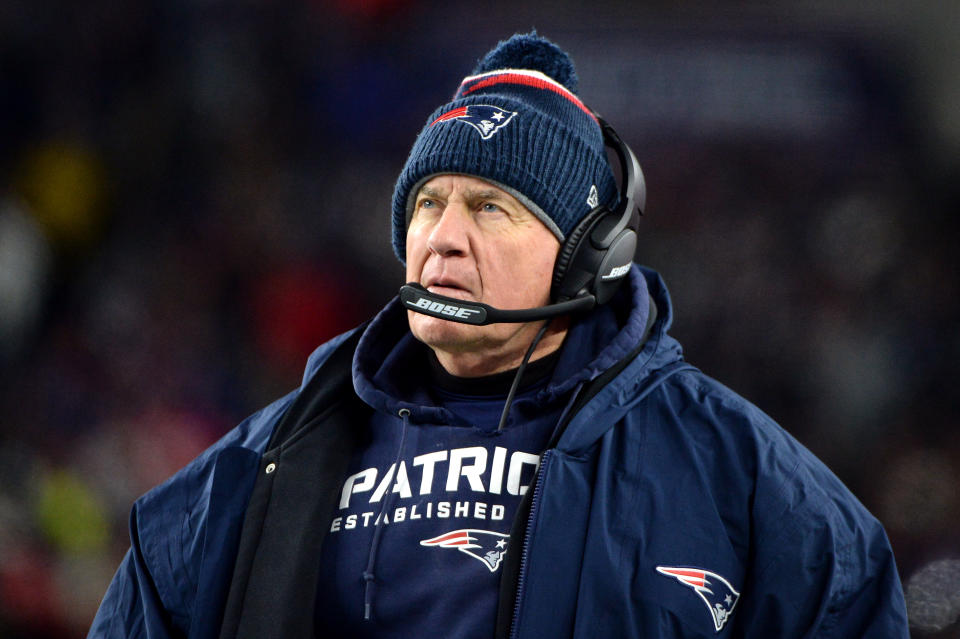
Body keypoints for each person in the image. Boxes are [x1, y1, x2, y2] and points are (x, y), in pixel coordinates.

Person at [88, 33, 908, 638]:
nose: (442, 237)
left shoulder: (748, 478)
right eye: (425, 205)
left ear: (589, 254)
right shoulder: (254, 467)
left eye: (490, 208)